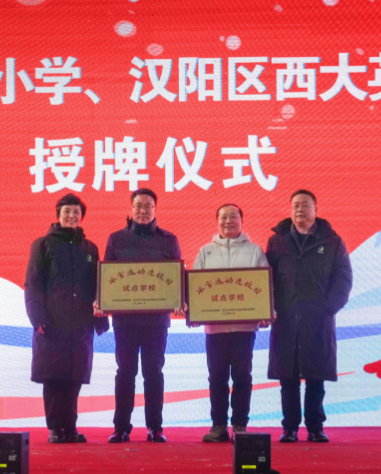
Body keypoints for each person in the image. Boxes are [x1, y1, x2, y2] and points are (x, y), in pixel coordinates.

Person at [266, 190, 352, 443]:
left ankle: (315, 427)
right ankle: (289, 427)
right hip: (286, 318)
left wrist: (328, 309)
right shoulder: (277, 241)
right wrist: (269, 308)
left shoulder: (333, 241)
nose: (300, 209)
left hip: (318, 319)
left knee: (316, 377)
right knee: (288, 378)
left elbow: (343, 279)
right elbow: (265, 278)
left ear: (316, 209)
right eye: (295, 205)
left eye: (305, 205)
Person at [25, 194, 109, 444]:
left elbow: (99, 285)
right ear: (58, 215)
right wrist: (37, 318)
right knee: (53, 377)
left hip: (81, 322)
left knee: (74, 376)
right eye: (67, 212)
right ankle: (54, 428)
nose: (72, 216)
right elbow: (32, 284)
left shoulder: (90, 248)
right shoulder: (43, 245)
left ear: (81, 216)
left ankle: (70, 427)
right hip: (52, 322)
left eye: (76, 212)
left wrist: (102, 313)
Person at [103, 188, 182, 443]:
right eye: (138, 206)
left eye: (148, 206)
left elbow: (177, 278)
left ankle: (155, 427)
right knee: (125, 372)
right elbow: (106, 278)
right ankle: (121, 427)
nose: (143, 211)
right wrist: (101, 300)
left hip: (156, 321)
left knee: (153, 372)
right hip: (125, 321)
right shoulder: (116, 239)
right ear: (131, 208)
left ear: (155, 209)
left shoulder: (168, 240)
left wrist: (179, 300)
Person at [192, 204, 270, 443]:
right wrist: (193, 312)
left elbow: (266, 286)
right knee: (216, 378)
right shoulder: (205, 252)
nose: (228, 221)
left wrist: (267, 311)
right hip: (215, 329)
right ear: (217, 221)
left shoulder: (255, 251)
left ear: (241, 221)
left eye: (233, 216)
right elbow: (195, 288)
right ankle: (218, 426)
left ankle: (239, 425)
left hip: (244, 329)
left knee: (242, 377)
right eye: (223, 217)